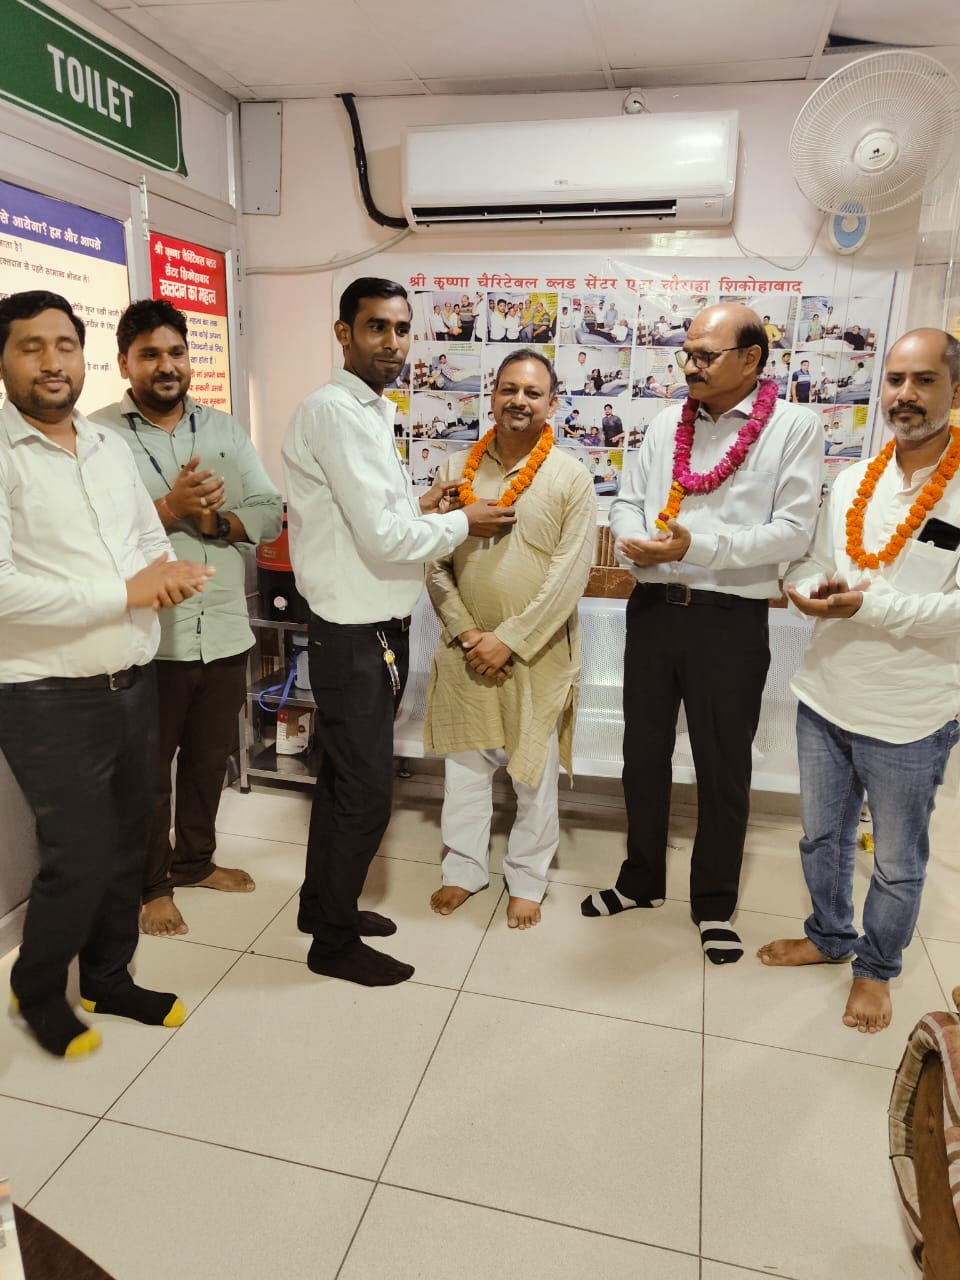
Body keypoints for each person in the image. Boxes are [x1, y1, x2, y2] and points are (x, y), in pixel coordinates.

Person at [282, 278, 516, 987]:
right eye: (376, 327)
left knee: (342, 783)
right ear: (343, 333)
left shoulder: (367, 409)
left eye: (402, 328)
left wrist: (423, 508)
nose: (393, 342)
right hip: (353, 634)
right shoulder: (336, 412)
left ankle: (322, 908)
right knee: (365, 794)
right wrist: (463, 521)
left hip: (371, 626)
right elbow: (383, 538)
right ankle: (332, 944)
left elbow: (370, 518)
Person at [0, 290, 213, 1057]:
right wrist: (124, 592)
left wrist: (168, 572)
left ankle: (108, 978)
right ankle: (36, 991)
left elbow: (142, 541)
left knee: (128, 845)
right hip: (43, 693)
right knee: (78, 855)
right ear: (4, 360)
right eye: (31, 346)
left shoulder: (105, 445)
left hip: (131, 680)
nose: (52, 361)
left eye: (64, 344)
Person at [580, 304, 822, 963]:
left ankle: (714, 905)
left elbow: (793, 531)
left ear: (751, 358)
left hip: (729, 621)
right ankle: (640, 880)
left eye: (705, 355)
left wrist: (699, 547)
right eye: (686, 353)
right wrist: (634, 542)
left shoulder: (793, 427)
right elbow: (627, 502)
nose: (690, 364)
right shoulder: (666, 424)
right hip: (653, 610)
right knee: (642, 754)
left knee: (723, 767)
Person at [758, 329, 960, 1032]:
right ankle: (828, 935)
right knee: (821, 838)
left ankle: (876, 968)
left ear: (955, 391)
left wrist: (867, 605)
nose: (905, 394)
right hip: (825, 695)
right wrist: (808, 588)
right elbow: (817, 560)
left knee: (897, 862)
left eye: (925, 380)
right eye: (896, 379)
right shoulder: (853, 480)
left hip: (911, 715)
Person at [93, 299, 283, 938]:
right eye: (149, 354)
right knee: (148, 775)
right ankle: (152, 886)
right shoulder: (98, 437)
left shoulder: (224, 429)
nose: (166, 365)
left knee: (208, 760)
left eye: (176, 352)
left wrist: (215, 521)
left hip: (223, 629)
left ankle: (196, 862)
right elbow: (93, 534)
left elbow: (268, 511)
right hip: (150, 640)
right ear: (124, 363)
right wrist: (171, 508)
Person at [425, 350, 596, 928]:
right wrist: (469, 632)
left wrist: (511, 640)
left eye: (532, 392)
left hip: (537, 654)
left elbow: (570, 574)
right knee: (465, 772)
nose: (518, 400)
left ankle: (527, 878)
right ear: (493, 395)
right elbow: (433, 560)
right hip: (467, 650)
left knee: (533, 775)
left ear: (552, 404)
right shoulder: (456, 468)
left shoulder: (571, 476)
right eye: (508, 389)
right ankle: (463, 869)